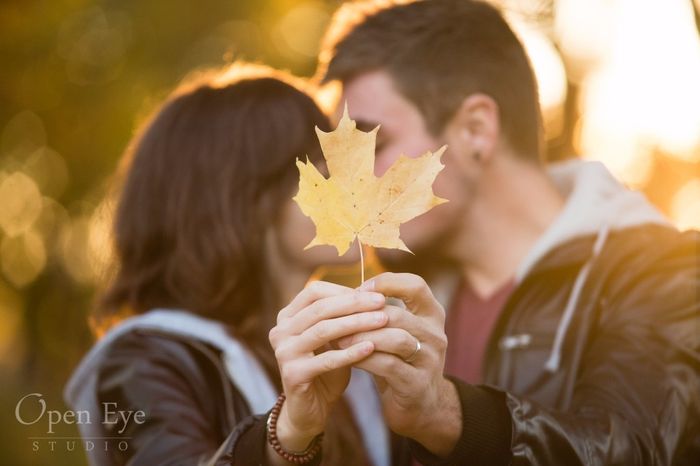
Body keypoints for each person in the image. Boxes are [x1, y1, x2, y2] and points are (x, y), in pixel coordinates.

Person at [289, 0, 698, 464]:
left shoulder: (663, 275)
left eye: (375, 144)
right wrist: (289, 437)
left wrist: (443, 414)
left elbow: (629, 447)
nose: (349, 182)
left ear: (476, 129)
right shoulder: (394, 303)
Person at [64, 63, 398, 466]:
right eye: (326, 172)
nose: (355, 188)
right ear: (246, 198)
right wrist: (285, 439)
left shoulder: (348, 353)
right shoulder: (151, 360)